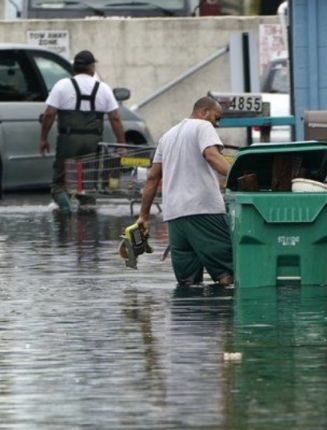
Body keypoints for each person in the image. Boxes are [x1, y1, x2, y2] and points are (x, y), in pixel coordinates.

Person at [135, 96, 234, 286]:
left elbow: (152, 178)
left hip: (175, 218)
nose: (217, 124)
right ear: (204, 112)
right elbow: (212, 156)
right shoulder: (202, 127)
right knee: (227, 275)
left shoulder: (167, 136)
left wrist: (144, 217)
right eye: (216, 117)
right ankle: (225, 315)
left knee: (188, 283)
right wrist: (239, 178)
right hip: (204, 212)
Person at [40, 50, 126, 210]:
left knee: (59, 183)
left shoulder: (62, 86)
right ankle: (87, 214)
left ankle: (65, 211)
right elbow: (115, 118)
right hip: (92, 142)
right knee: (87, 183)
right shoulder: (103, 88)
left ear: (75, 68)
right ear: (92, 68)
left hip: (68, 140)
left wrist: (43, 138)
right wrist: (121, 143)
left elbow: (49, 114)